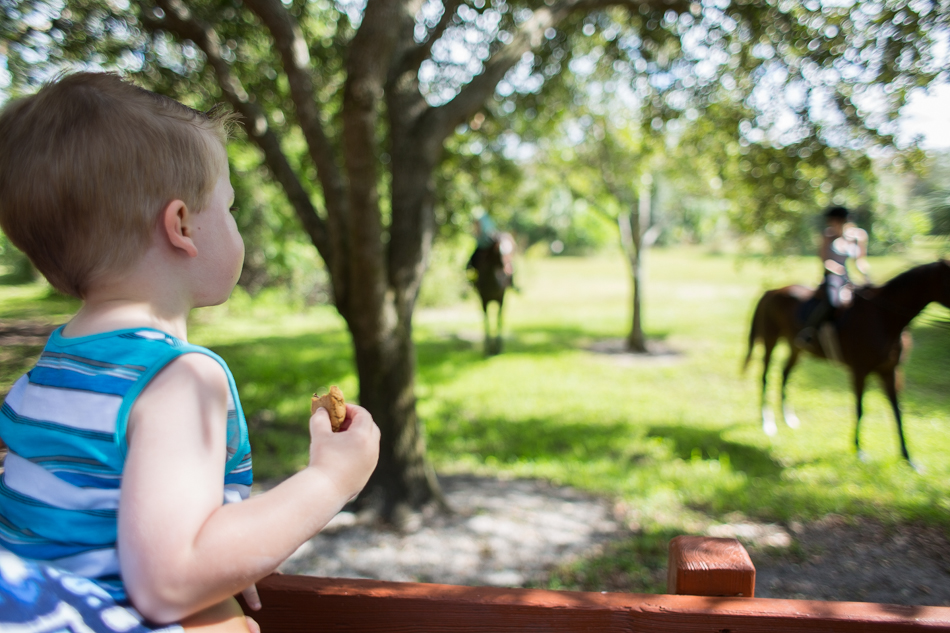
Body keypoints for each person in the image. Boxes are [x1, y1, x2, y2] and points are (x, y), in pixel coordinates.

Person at [0, 73, 380, 632]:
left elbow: (108, 531)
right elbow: (170, 582)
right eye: (227, 207)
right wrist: (331, 479)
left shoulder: (53, 371)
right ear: (181, 225)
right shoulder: (179, 379)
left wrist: (223, 554)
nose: (234, 224)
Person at [796, 205, 871, 348]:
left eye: (834, 221)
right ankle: (809, 331)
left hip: (848, 278)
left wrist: (867, 277)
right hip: (832, 277)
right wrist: (838, 270)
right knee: (832, 302)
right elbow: (824, 260)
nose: (831, 225)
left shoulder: (858, 236)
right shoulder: (827, 235)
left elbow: (860, 261)